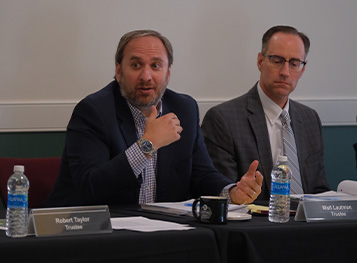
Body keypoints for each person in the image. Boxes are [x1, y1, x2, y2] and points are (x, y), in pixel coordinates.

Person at [44, 29, 263, 207]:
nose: (146, 76)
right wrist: (148, 145)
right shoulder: (93, 111)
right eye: (136, 65)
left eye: (156, 66)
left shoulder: (184, 108)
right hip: (90, 233)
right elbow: (91, 188)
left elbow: (201, 174)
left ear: (168, 74)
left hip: (161, 232)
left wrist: (232, 191)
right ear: (119, 72)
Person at [201, 25, 330, 200]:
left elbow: (319, 190)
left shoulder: (310, 119)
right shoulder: (223, 119)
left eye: (294, 64)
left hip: (307, 225)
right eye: (277, 61)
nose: (285, 72)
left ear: (302, 69)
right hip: (256, 224)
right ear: (261, 62)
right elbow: (225, 195)